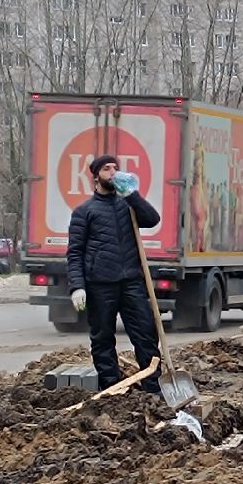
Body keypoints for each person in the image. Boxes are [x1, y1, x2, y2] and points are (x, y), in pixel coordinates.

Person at [67, 154, 164, 394]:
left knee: (146, 334)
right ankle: (111, 388)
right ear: (96, 176)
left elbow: (153, 219)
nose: (113, 172)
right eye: (106, 169)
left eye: (115, 168)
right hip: (100, 285)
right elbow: (75, 253)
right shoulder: (84, 212)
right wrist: (77, 286)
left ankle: (153, 387)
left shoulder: (128, 207)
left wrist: (132, 195)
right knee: (102, 338)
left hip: (131, 282)